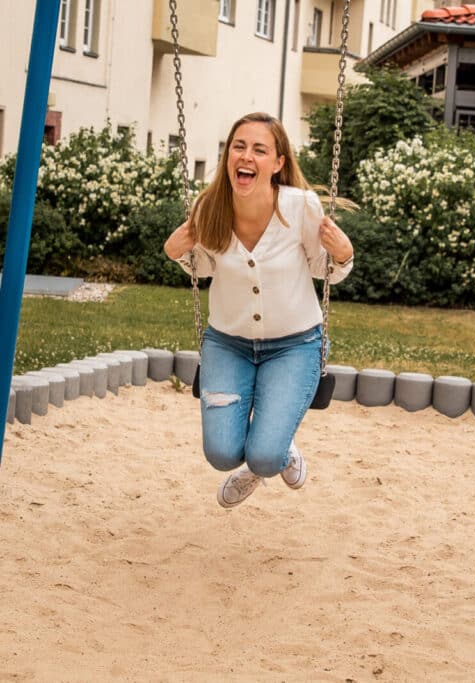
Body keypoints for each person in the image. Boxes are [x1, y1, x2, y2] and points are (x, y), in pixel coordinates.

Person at [163, 112, 354, 508]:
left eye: (259, 149)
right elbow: (204, 267)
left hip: (294, 345)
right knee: (220, 455)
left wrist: (343, 253)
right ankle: (271, 437)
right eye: (238, 146)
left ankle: (274, 448)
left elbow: (325, 270)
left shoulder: (301, 206)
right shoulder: (209, 207)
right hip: (227, 344)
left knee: (266, 456)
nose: (246, 156)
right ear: (227, 155)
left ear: (278, 163)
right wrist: (176, 253)